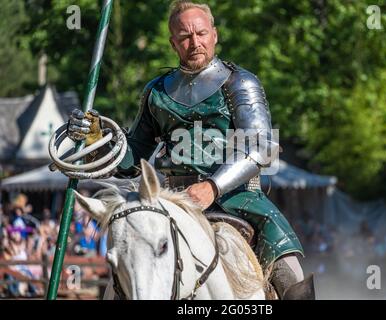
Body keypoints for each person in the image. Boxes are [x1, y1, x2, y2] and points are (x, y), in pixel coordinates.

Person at [67, 1, 313, 299]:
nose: (194, 42)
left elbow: (259, 146)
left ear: (214, 35)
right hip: (173, 199)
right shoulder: (157, 91)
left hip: (239, 199)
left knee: (291, 276)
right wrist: (99, 139)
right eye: (184, 36)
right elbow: (133, 159)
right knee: (125, 279)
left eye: (201, 33)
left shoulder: (239, 83)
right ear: (173, 43)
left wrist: (213, 186)